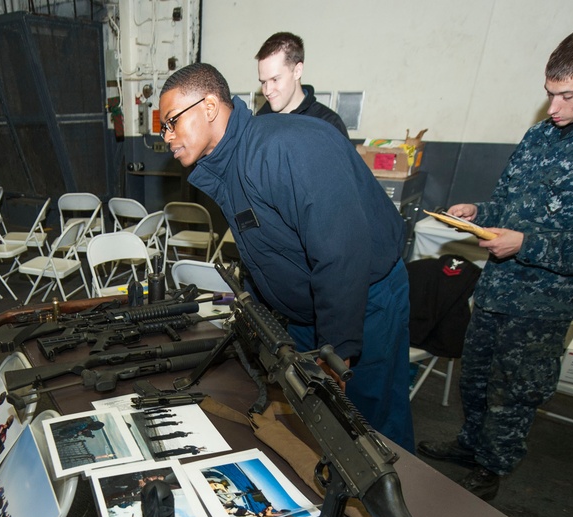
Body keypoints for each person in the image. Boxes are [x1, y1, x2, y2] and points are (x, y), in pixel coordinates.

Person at [158, 63, 414, 451]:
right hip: (309, 311)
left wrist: (337, 350)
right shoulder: (227, 166)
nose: (167, 137)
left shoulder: (288, 146)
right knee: (319, 426)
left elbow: (342, 252)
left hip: (362, 302)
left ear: (209, 107)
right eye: (163, 127)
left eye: (172, 122)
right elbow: (266, 249)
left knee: (373, 425)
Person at [417, 31, 573, 501]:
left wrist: (525, 244)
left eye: (567, 96)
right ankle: (469, 446)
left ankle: (493, 467)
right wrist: (478, 213)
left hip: (541, 304)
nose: (554, 108)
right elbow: (509, 202)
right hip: (497, 290)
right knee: (477, 377)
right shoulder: (540, 135)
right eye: (550, 95)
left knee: (514, 391)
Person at [254, 32, 348, 139]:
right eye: (263, 82)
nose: (267, 91)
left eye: (275, 79)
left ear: (297, 71)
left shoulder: (328, 125)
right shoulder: (259, 122)